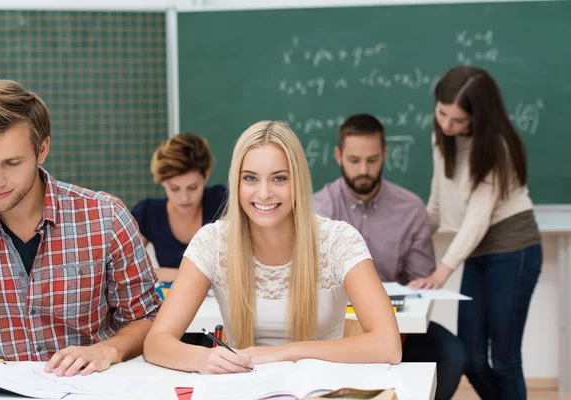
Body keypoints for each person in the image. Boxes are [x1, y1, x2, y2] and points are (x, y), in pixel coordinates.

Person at [143, 120, 401, 373]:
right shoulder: (212, 242)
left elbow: (388, 345)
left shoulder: (339, 240)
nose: (264, 193)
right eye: (250, 178)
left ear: (297, 181)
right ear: (236, 183)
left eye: (279, 178)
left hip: (321, 389)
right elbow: (156, 343)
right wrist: (203, 359)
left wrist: (284, 353)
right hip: (242, 388)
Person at [0, 80, 161, 376]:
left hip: (91, 390)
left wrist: (107, 350)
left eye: (12, 163)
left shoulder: (106, 217)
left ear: (42, 149)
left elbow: (148, 318)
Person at [408, 66, 542, 400]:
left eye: (458, 121)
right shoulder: (442, 136)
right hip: (479, 252)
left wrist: (441, 273)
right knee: (472, 357)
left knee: (504, 359)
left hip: (514, 251)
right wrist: (409, 241)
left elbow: (477, 220)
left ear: (478, 118)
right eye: (441, 114)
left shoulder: (496, 148)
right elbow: (437, 204)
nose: (446, 125)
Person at [313, 113, 467, 400]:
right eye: (354, 160)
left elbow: (420, 286)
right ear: (338, 156)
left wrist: (389, 337)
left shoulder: (410, 209)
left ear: (385, 154)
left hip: (398, 326)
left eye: (372, 160)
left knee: (452, 354)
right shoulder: (317, 210)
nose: (363, 170)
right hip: (334, 328)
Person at [131, 134, 227, 284]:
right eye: (174, 189)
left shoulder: (221, 202)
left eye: (193, 188)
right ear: (162, 181)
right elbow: (127, 269)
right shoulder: (148, 213)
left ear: (206, 175)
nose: (184, 198)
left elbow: (232, 267)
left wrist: (167, 274)